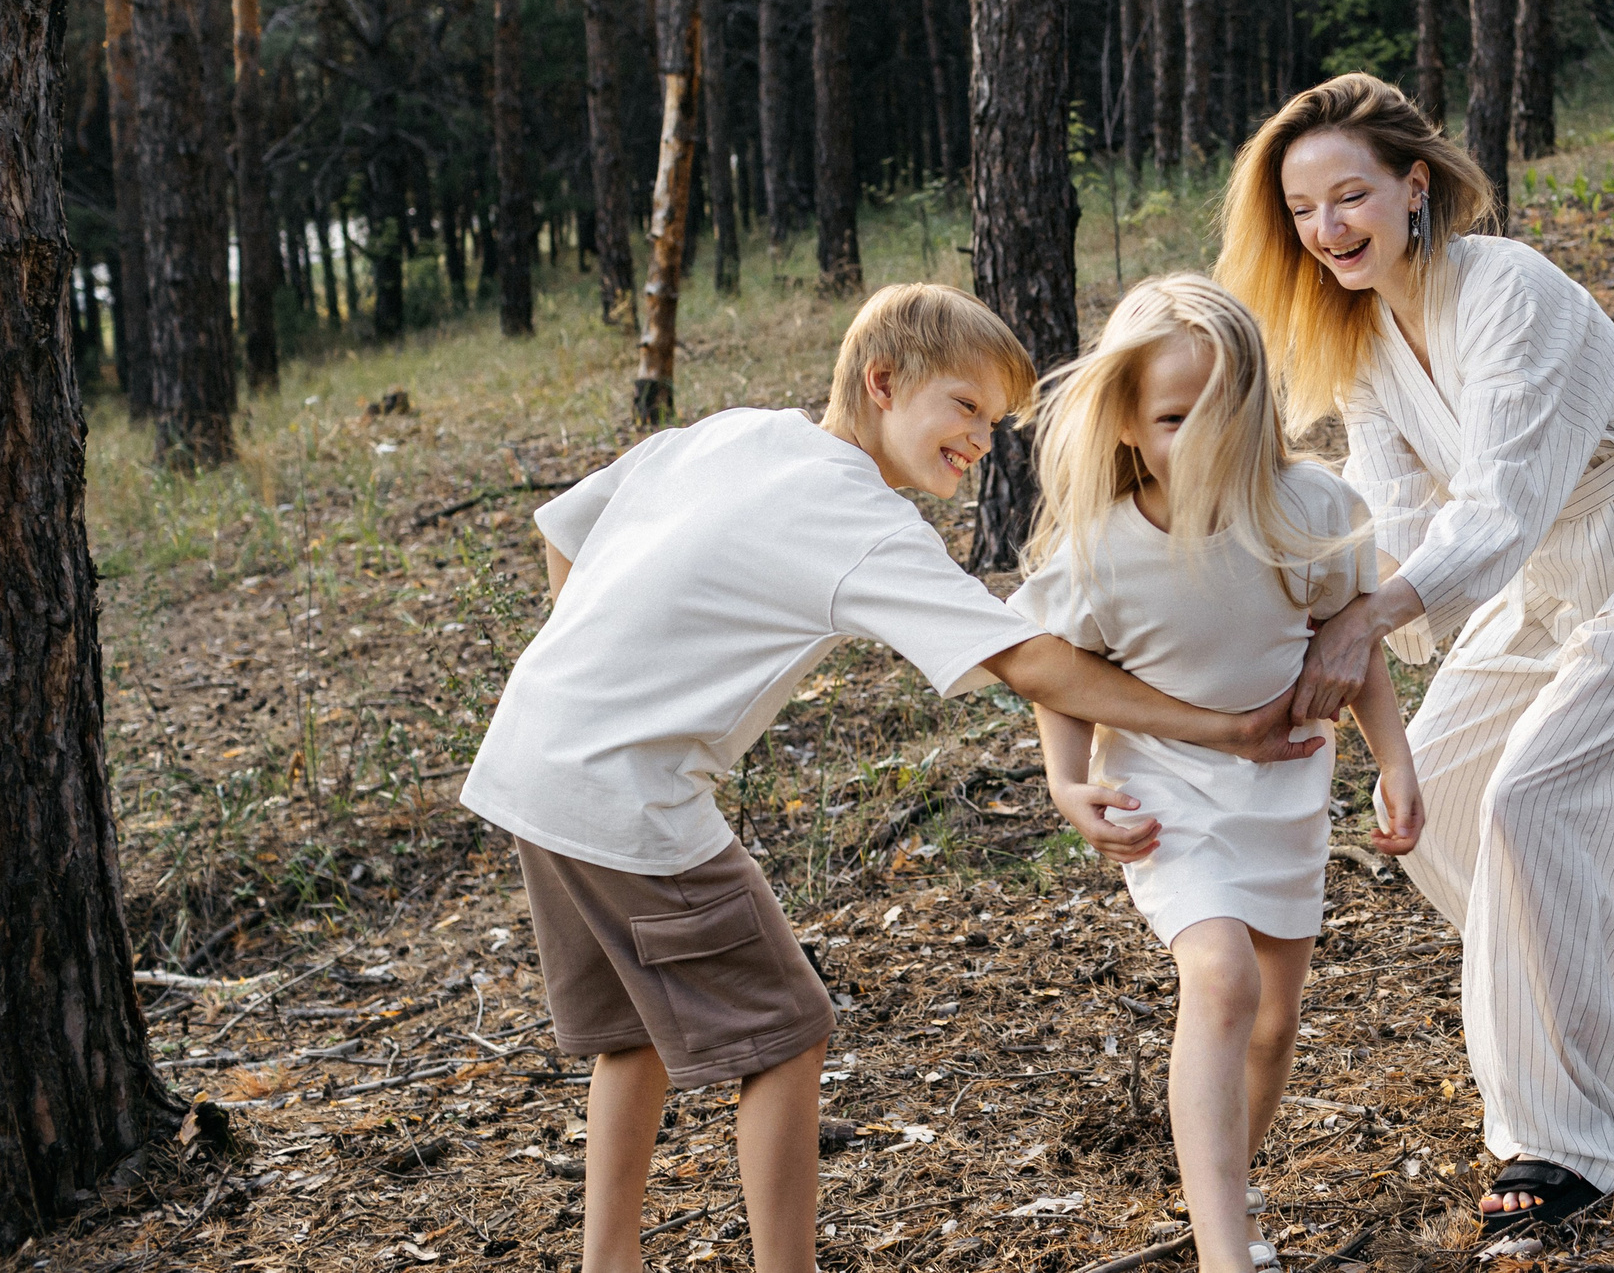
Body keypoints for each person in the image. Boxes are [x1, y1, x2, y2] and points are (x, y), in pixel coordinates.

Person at [461, 284, 1319, 1273]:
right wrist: (1224, 726)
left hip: (531, 754)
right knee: (788, 1033)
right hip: (626, 794)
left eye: (995, 423)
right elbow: (1031, 663)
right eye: (963, 407)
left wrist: (597, 672)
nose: (982, 440)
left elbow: (563, 532)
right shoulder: (854, 517)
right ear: (881, 381)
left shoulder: (733, 432)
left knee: (633, 1034)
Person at [1217, 76, 1614, 1239]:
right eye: (1304, 210)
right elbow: (1396, 522)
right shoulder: (1363, 338)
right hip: (1546, 572)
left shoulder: (1510, 288)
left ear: (1414, 188)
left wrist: (1372, 620)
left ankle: (1568, 1137)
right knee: (1441, 789)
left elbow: (1501, 503)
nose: (1328, 230)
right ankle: (1585, 1020)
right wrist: (1306, 615)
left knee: (1530, 800)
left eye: (1350, 195)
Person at [1013, 275, 1425, 1273]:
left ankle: (1220, 1200)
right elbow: (1060, 678)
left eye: (1217, 414)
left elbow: (1350, 641)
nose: (1195, 439)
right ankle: (1222, 1253)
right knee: (1222, 978)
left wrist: (1393, 758)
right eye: (1167, 417)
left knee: (1275, 1027)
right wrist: (1069, 786)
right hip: (1166, 794)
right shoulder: (1099, 549)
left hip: (1283, 791)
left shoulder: (1308, 507)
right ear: (1119, 421)